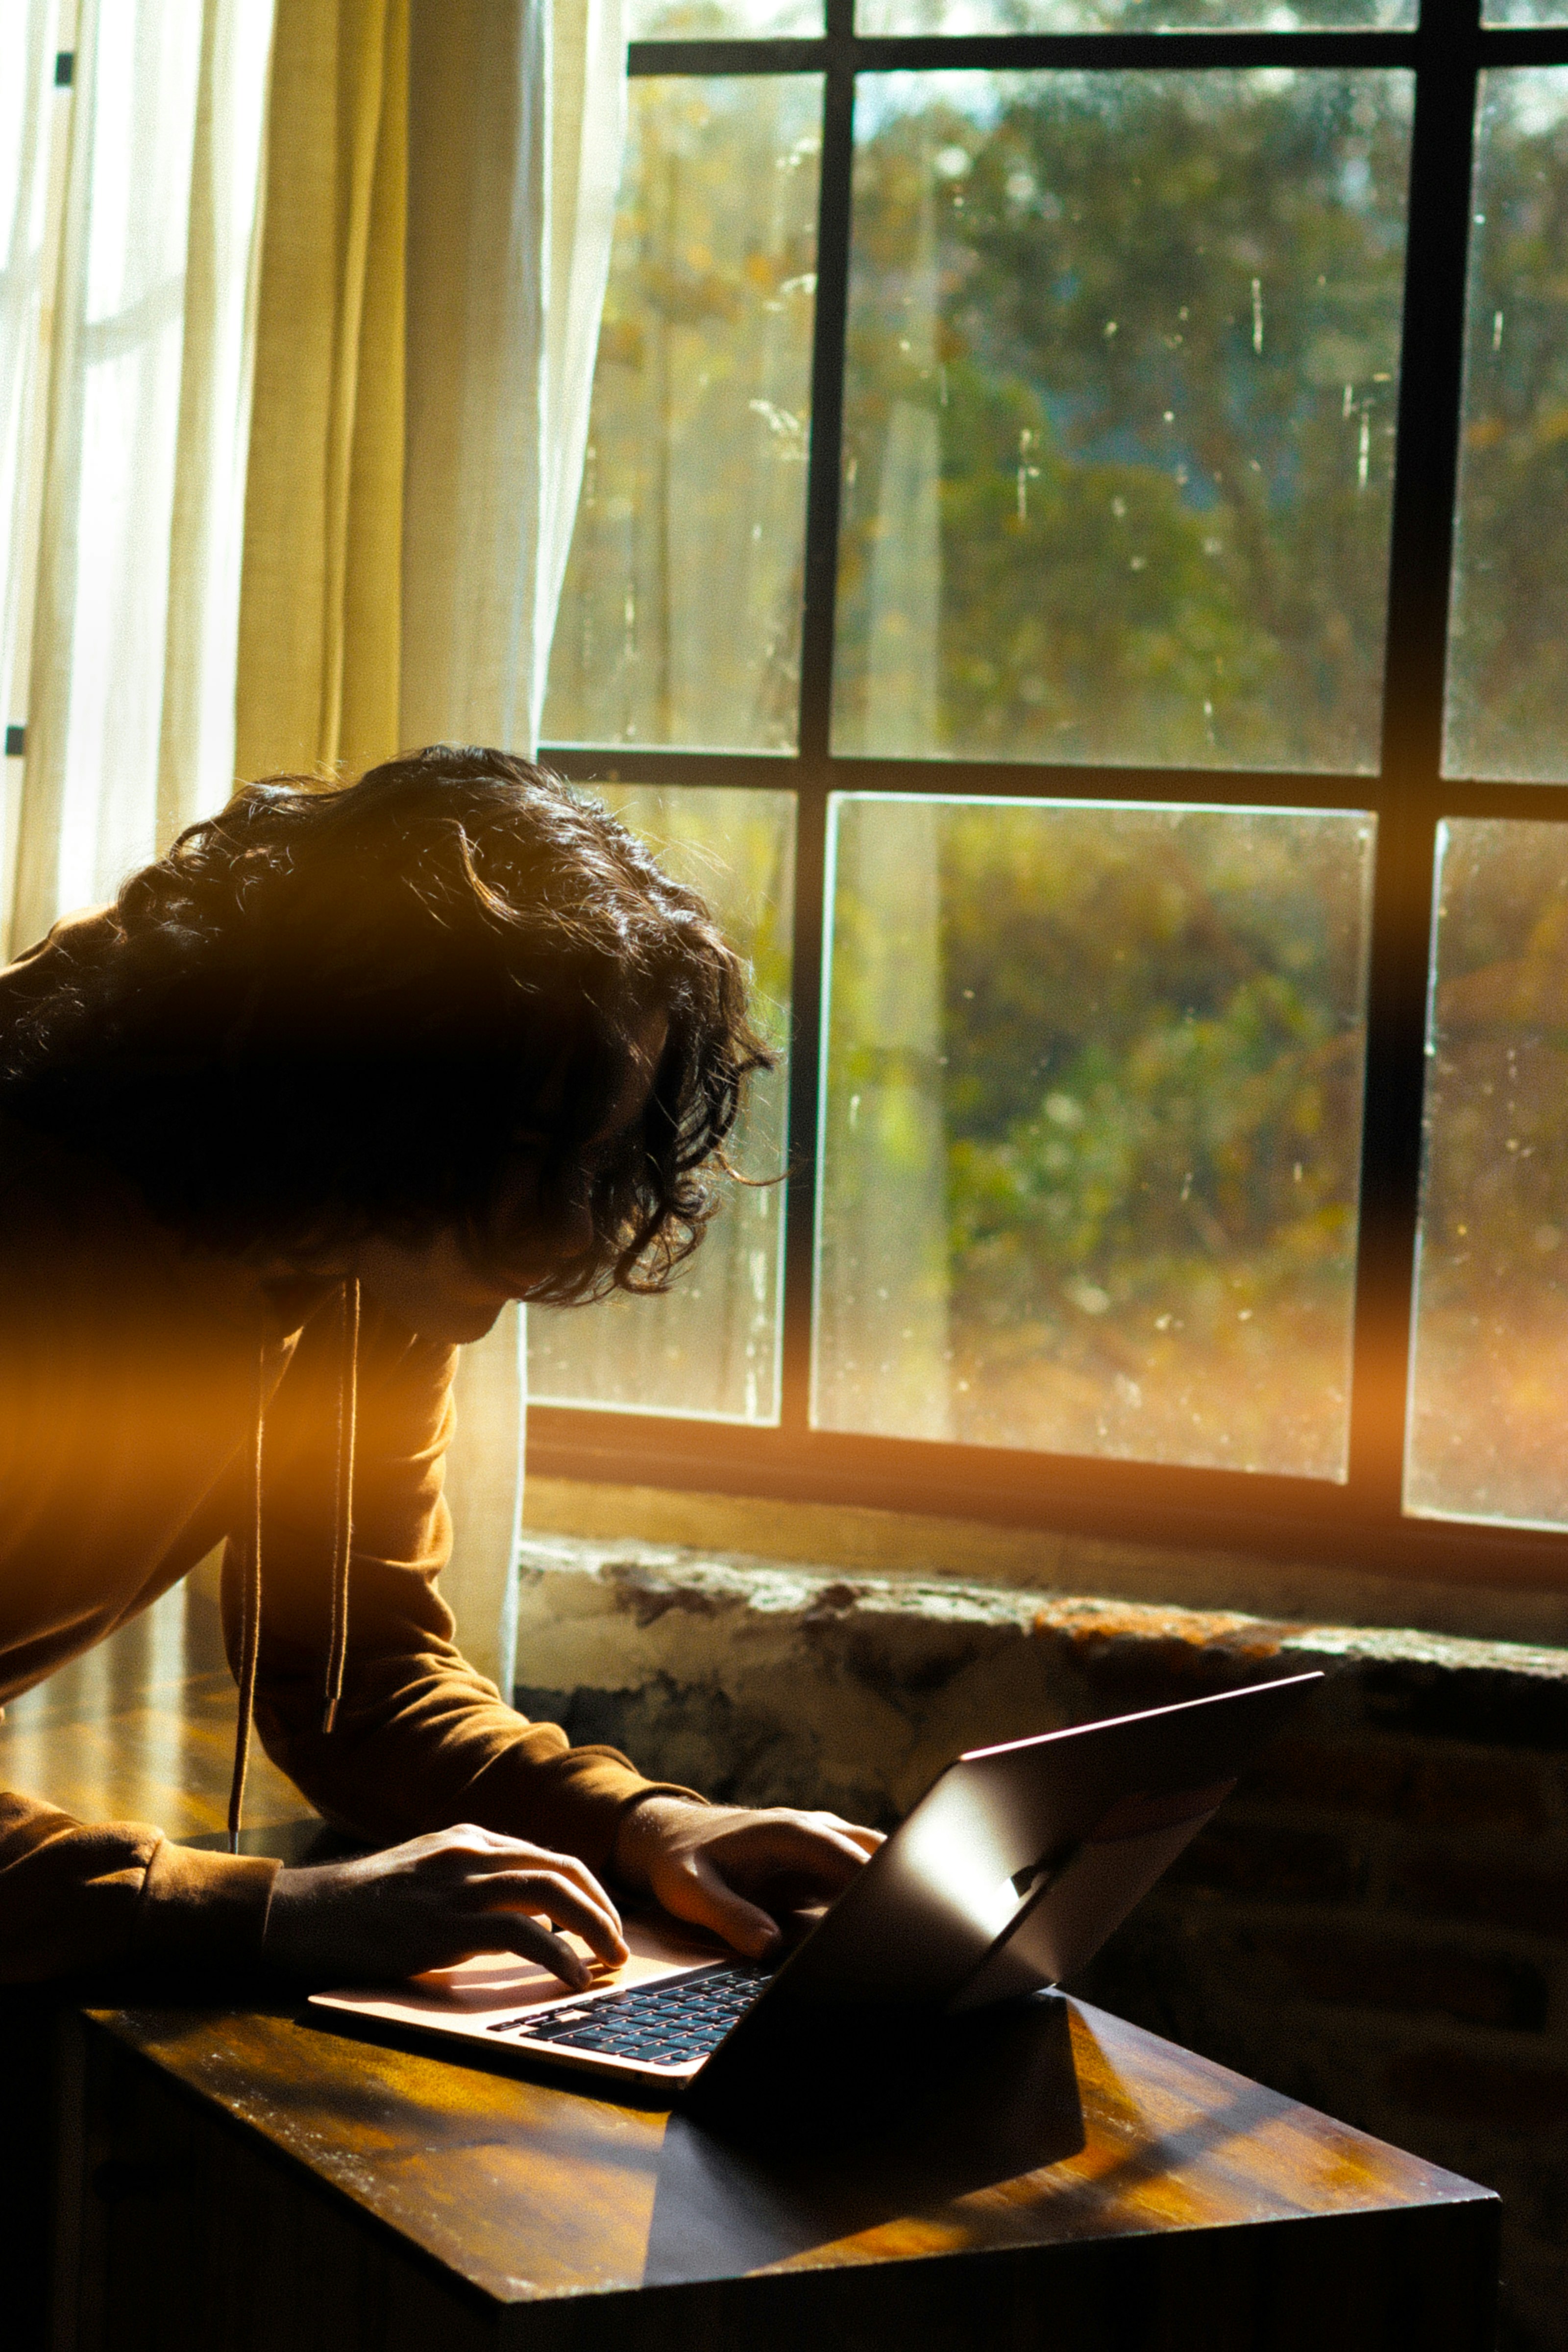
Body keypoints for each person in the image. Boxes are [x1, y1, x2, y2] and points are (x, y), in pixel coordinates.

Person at [0, 745, 878, 1990]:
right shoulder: (33, 1232)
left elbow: (360, 1681)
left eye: (601, 1159)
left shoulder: (366, 1250)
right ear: (352, 1085)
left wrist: (641, 1827)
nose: (568, 1232)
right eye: (524, 1149)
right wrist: (276, 1914)